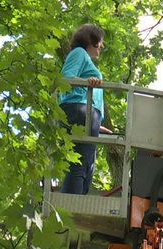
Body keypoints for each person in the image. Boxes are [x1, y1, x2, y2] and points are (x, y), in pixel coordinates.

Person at [59, 23, 105, 195]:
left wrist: (97, 122)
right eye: (101, 41)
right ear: (92, 40)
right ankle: (72, 206)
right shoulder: (79, 53)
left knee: (86, 164)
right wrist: (88, 82)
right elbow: (66, 78)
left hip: (86, 113)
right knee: (80, 163)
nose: (102, 46)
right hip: (79, 109)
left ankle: (75, 203)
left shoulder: (83, 57)